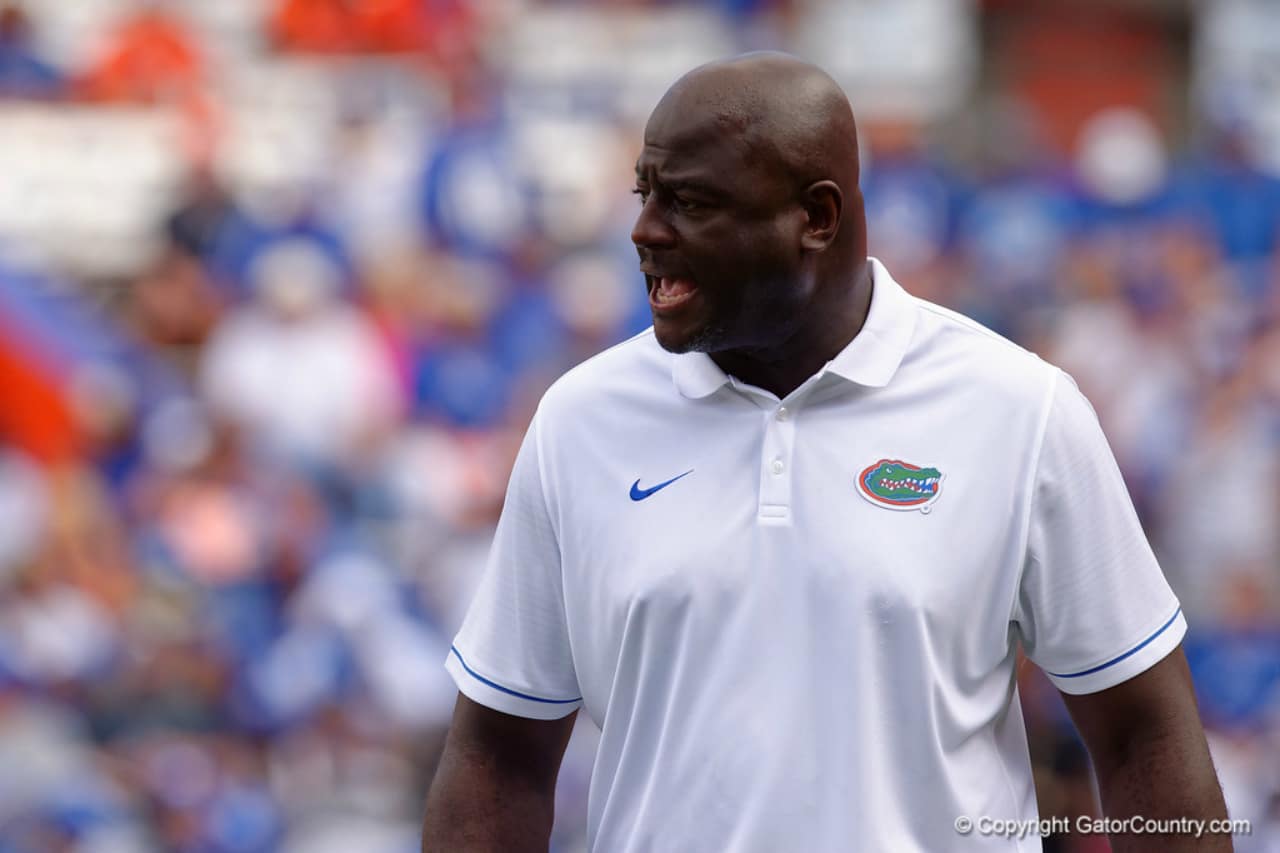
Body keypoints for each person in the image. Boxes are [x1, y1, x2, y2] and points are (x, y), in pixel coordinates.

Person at [422, 53, 1229, 851]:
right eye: (646, 194)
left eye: (689, 202)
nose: (644, 231)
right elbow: (497, 759)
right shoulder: (579, 421)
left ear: (816, 216)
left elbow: (1141, 738)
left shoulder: (1020, 409)